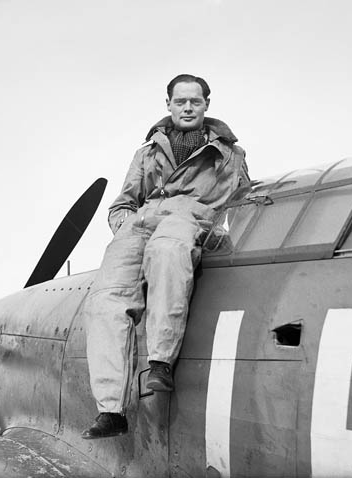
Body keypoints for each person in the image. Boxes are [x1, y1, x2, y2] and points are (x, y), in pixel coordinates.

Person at [81, 74, 250, 439]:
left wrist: (218, 232)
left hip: (188, 218)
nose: (187, 107)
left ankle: (160, 363)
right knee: (105, 299)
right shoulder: (147, 153)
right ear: (169, 105)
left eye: (195, 101)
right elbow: (122, 203)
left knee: (168, 252)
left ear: (206, 104)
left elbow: (244, 202)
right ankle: (111, 409)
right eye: (180, 101)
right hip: (141, 224)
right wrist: (125, 227)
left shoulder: (231, 154)